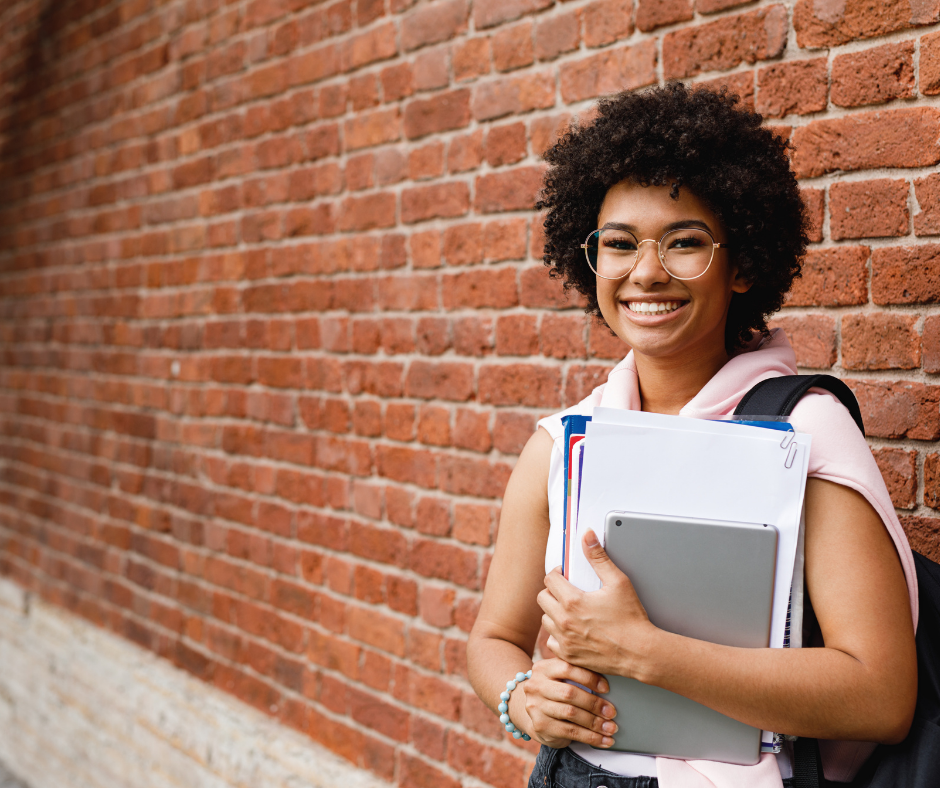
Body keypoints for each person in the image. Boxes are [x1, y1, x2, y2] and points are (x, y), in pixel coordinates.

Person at [466, 83, 918, 788]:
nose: (646, 272)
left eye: (685, 243)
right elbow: (494, 639)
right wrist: (523, 700)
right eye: (618, 244)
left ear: (741, 266)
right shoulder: (562, 446)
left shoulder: (802, 434)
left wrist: (647, 653)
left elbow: (882, 696)